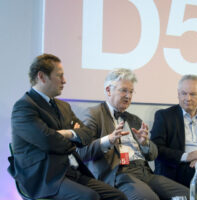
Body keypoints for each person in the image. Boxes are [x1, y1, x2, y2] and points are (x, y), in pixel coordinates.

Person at [8, 54, 126, 200]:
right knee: (90, 197)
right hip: (43, 178)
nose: (65, 81)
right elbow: (48, 142)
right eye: (60, 76)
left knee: (117, 196)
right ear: (42, 77)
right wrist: (74, 137)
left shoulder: (63, 106)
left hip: (69, 171)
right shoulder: (24, 107)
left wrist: (68, 134)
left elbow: (87, 134)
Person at [77, 68, 189, 200]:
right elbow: (82, 152)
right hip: (119, 173)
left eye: (131, 92)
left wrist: (145, 143)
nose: (128, 96)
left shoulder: (134, 119)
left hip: (144, 172)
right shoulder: (93, 114)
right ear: (108, 90)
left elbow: (153, 154)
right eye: (124, 90)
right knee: (149, 198)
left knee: (190, 195)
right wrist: (108, 140)